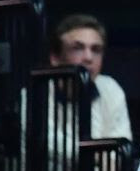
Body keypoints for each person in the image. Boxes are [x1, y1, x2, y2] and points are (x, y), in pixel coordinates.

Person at [49, 13, 132, 144]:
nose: (88, 58)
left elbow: (120, 149)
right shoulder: (34, 96)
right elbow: (51, 150)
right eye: (77, 48)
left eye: (96, 50)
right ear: (55, 58)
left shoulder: (111, 89)